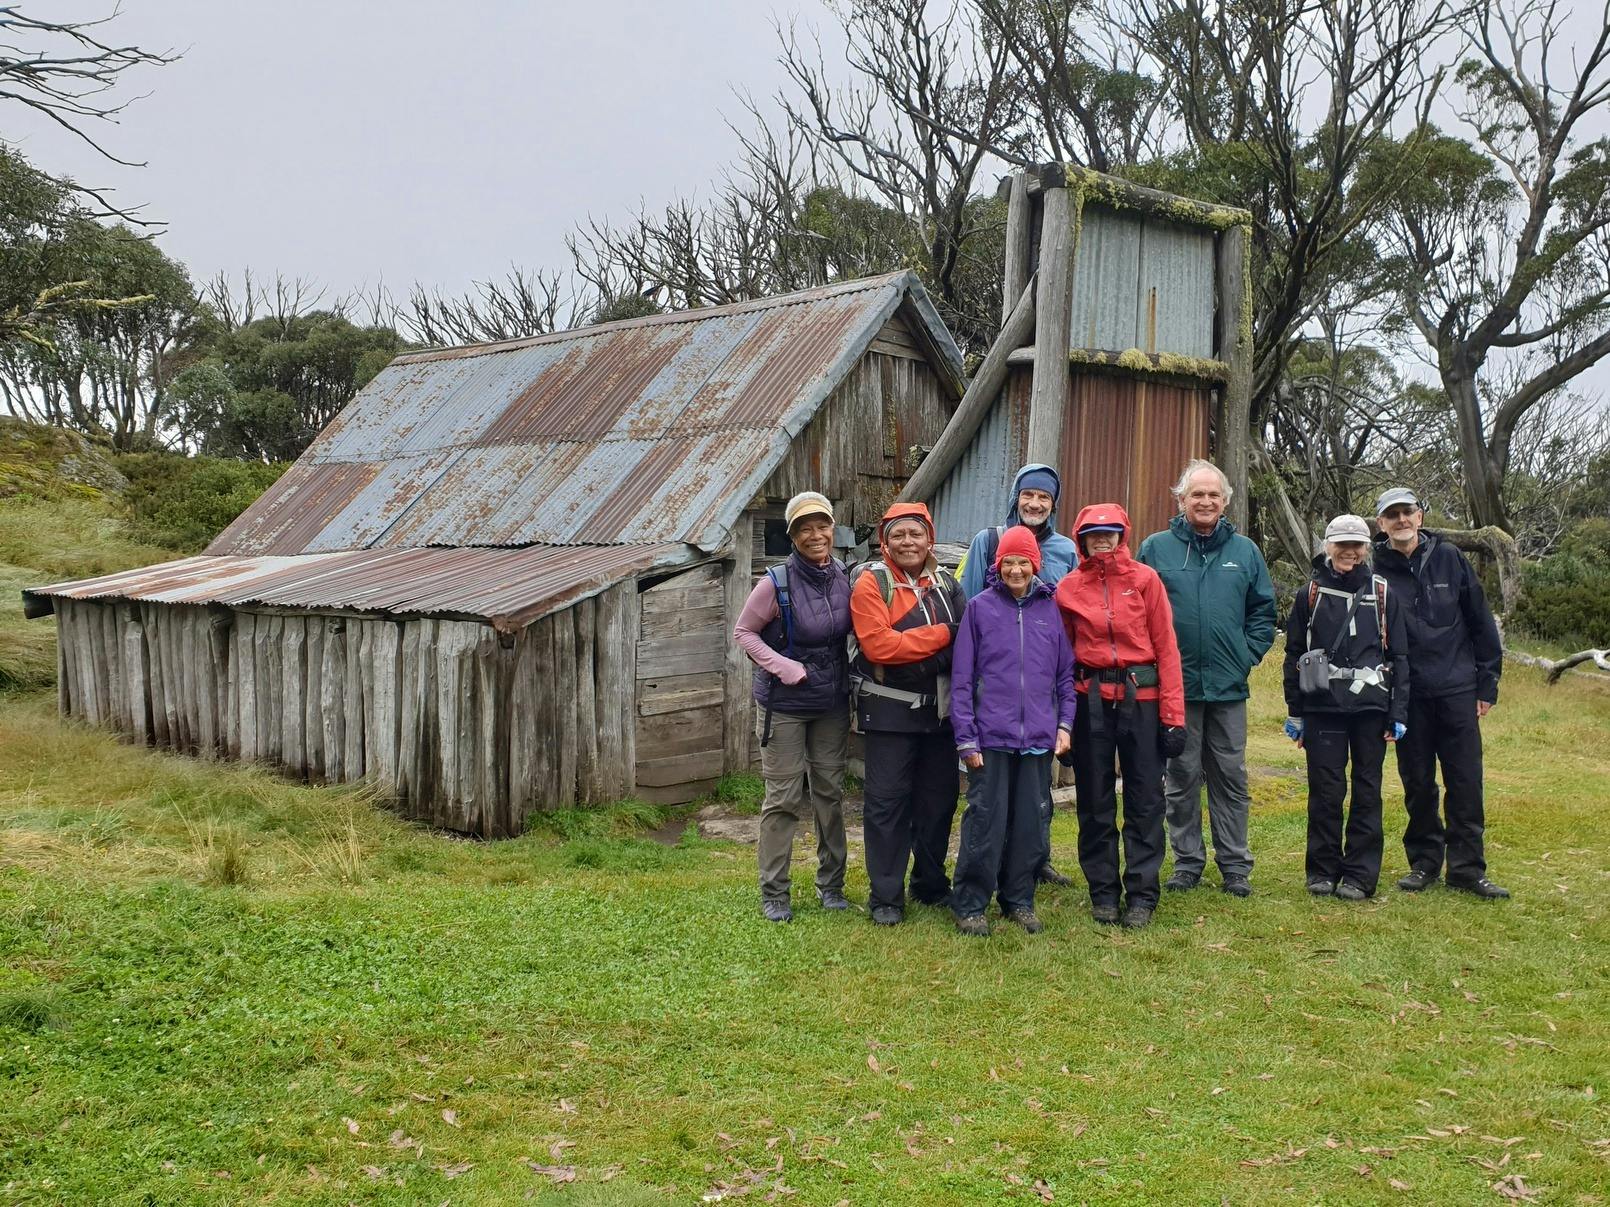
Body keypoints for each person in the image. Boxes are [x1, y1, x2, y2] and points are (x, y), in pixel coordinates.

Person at [1136, 460, 1277, 898]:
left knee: (1230, 778)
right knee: (1180, 777)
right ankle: (1188, 862)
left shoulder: (1246, 552)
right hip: (1174, 690)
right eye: (1197, 494)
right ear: (1181, 500)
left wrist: (1244, 657)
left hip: (1228, 689)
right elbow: (1137, 613)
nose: (1205, 501)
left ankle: (1235, 865)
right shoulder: (1156, 550)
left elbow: (1263, 613)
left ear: (1225, 502)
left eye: (1213, 495)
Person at [1372, 488, 1509, 898]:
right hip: (1406, 694)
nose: (1401, 520)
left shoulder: (1450, 558)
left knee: (1465, 780)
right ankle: (1425, 862)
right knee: (1417, 782)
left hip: (1456, 689)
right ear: (1381, 524)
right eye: (1392, 515)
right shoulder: (1374, 568)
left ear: (1420, 515)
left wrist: (1487, 681)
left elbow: (1481, 622)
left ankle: (1467, 868)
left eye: (1407, 512)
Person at [1055, 504, 1186, 929]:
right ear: (1081, 538)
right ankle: (1104, 892)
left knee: (1146, 798)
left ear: (1123, 534)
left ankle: (1143, 893)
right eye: (1094, 533)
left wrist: (1173, 718)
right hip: (1089, 701)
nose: (1102, 540)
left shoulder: (1145, 581)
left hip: (1142, 701)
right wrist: (1063, 722)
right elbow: (1061, 658)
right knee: (1094, 800)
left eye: (1110, 532)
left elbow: (1167, 648)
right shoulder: (1068, 588)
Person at [949, 526, 1076, 938]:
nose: (1017, 569)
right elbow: (963, 678)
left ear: (1035, 564)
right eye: (1009, 562)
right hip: (991, 737)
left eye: (1024, 561)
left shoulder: (1049, 609)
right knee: (985, 821)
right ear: (998, 565)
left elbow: (1064, 676)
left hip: (1038, 739)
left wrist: (1064, 723)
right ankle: (970, 902)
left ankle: (1018, 898)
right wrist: (966, 736)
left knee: (1029, 824)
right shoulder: (980, 609)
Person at [733, 491, 852, 923]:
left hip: (831, 704)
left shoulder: (844, 576)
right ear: (793, 535)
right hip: (784, 704)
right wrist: (783, 666)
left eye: (822, 525)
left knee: (830, 794)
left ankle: (832, 885)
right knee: (783, 797)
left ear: (832, 528)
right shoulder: (776, 582)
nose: (816, 534)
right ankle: (775, 892)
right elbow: (744, 633)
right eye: (805, 528)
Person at [850, 501, 967, 926]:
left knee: (939, 802)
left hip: (940, 715)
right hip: (888, 714)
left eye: (915, 533)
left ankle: (931, 883)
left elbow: (967, 639)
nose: (907, 542)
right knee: (887, 805)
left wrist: (918, 655)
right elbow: (878, 647)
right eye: (898, 534)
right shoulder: (871, 583)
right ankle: (885, 896)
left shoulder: (947, 585)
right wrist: (940, 635)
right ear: (885, 542)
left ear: (929, 538)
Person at [1282, 515, 1409, 900]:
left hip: (1371, 710)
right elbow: (1294, 655)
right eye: (1342, 544)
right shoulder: (1310, 594)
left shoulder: (1384, 592)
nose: (1349, 552)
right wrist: (1295, 712)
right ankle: (1321, 871)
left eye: (1357, 545)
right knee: (1325, 791)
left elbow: (1400, 655)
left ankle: (1359, 875)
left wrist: (1398, 712)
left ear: (1367, 548)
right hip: (1322, 709)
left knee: (1367, 790)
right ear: (1327, 546)